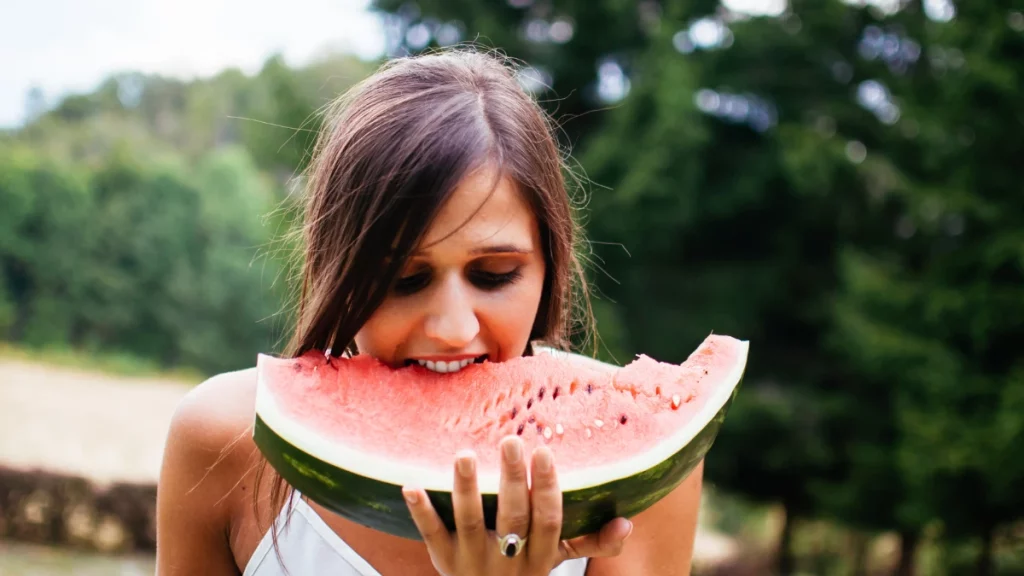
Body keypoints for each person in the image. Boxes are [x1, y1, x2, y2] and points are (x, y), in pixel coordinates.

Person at [155, 47, 702, 576]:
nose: (453, 329)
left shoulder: (642, 476)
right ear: (336, 268)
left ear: (549, 266)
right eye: (405, 280)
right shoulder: (222, 442)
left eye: (494, 276)